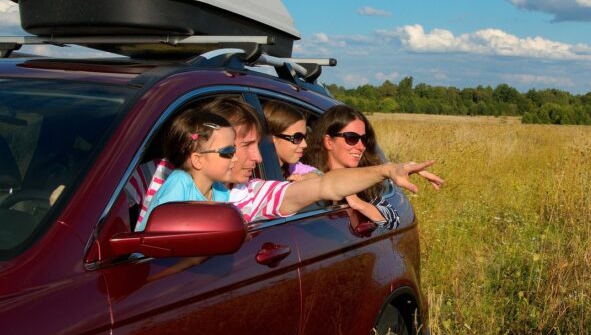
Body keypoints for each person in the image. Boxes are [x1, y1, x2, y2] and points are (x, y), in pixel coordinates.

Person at [128, 96, 442, 231]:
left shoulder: (246, 194)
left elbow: (324, 184)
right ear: (202, 148)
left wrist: (389, 170)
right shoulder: (150, 173)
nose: (258, 157)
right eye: (245, 145)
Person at [304, 105, 399, 229]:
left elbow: (394, 220)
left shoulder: (360, 181)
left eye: (364, 139)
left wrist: (358, 203)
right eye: (352, 138)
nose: (361, 147)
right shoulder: (308, 176)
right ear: (328, 142)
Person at [262, 100, 320, 181]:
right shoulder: (255, 170)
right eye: (297, 137)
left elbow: (319, 174)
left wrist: (305, 178)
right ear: (272, 137)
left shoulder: (292, 168)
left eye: (305, 136)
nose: (304, 144)